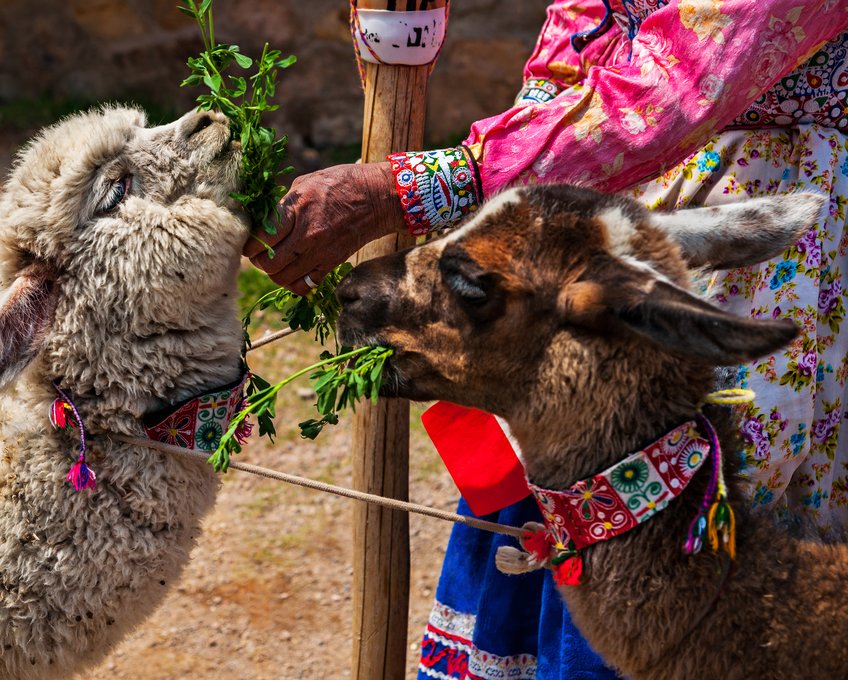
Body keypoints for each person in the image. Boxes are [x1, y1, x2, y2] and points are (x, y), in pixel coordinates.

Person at [245, 1, 848, 677]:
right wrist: (534, 127)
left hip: (749, 201)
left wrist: (417, 186)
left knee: (676, 503)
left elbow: (693, 70)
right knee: (549, 460)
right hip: (583, 188)